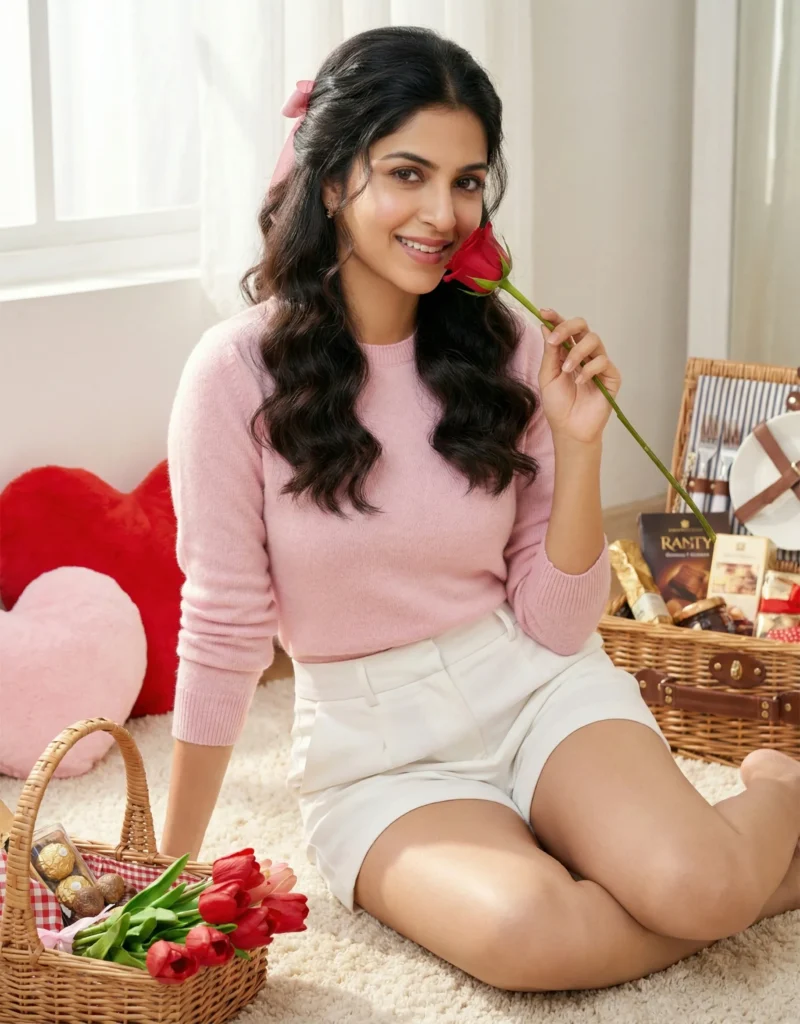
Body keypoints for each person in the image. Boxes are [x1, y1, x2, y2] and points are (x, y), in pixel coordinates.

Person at [161, 25, 800, 993]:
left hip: (533, 686)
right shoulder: (232, 374)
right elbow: (223, 630)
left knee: (698, 887)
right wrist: (167, 869)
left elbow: (556, 622)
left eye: (466, 181)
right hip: (373, 753)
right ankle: (765, 869)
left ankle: (776, 790)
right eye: (406, 174)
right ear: (330, 181)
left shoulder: (506, 347)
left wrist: (579, 445)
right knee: (530, 936)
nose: (442, 213)